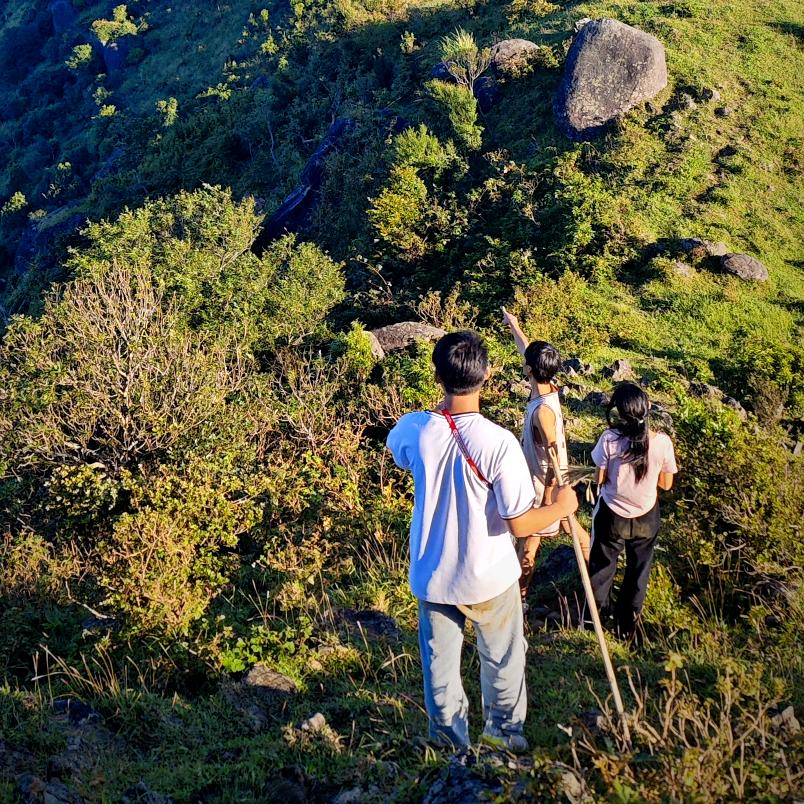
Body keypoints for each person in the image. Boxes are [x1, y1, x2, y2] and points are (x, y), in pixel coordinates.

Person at [386, 331, 578, 752]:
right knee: (503, 660)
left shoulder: (415, 429)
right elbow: (521, 523)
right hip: (491, 576)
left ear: (437, 376)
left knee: (440, 669)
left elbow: (398, 451)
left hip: (434, 577)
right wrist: (562, 506)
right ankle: (503, 739)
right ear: (487, 374)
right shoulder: (499, 443)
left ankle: (449, 747)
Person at [501, 308, 590, 606]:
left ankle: (520, 600)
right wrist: (514, 326)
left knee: (529, 542)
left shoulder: (542, 411)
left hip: (544, 483)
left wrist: (553, 489)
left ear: (529, 370)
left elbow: (552, 449)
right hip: (547, 478)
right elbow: (527, 351)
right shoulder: (547, 388)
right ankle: (598, 571)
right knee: (566, 527)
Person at [589, 382, 678, 640]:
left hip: (612, 513)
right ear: (647, 407)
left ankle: (595, 619)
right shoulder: (662, 443)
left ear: (619, 411)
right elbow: (666, 484)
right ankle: (626, 626)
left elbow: (599, 478)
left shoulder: (610, 439)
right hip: (646, 516)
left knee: (602, 566)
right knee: (639, 570)